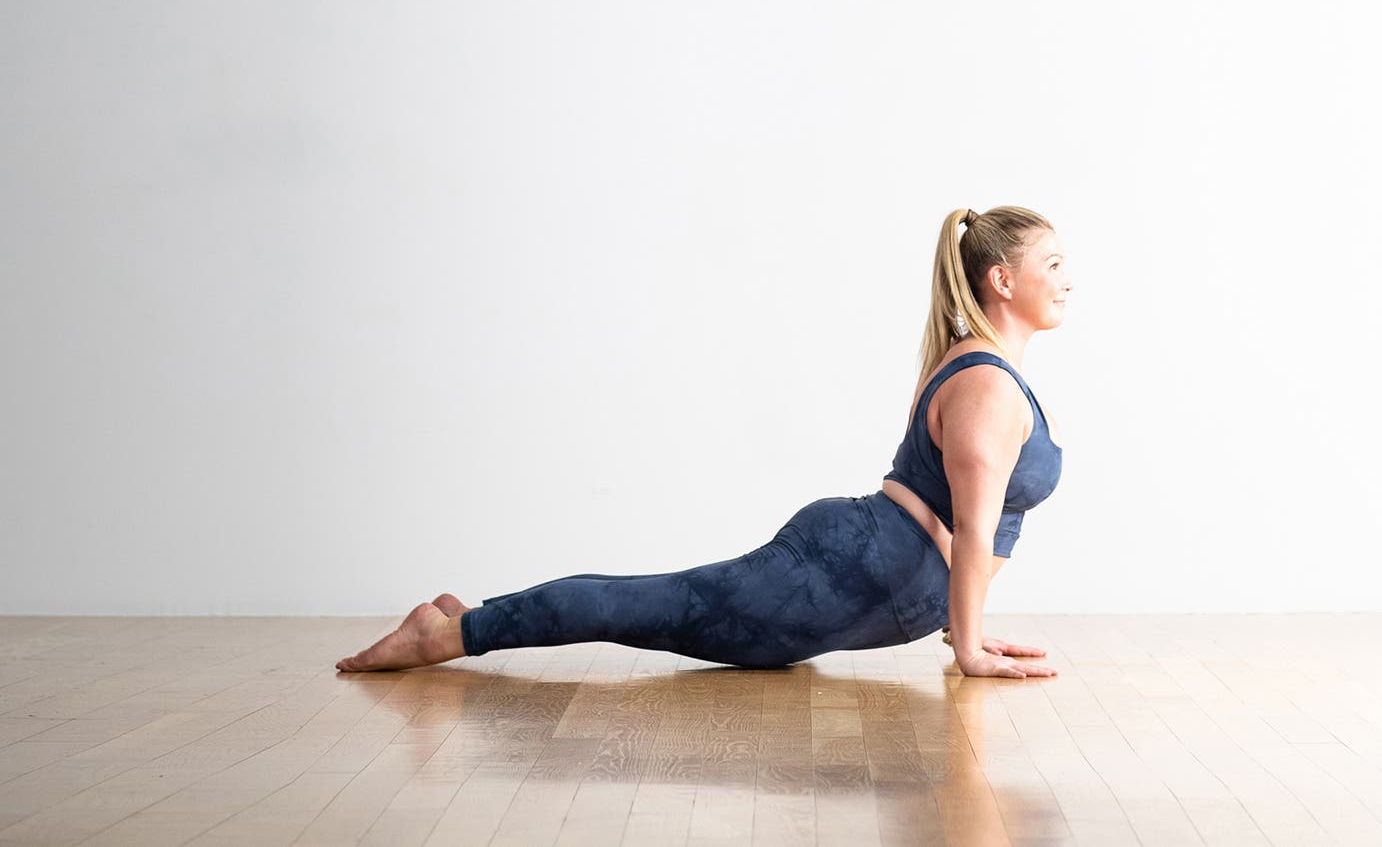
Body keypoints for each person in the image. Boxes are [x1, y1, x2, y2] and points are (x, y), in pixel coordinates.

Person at [335, 205, 1073, 678]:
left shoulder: (989, 370)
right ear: (1001, 279)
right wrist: (970, 644)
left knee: (664, 605)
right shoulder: (986, 384)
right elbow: (972, 527)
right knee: (656, 606)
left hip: (861, 580)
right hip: (845, 573)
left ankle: (468, 618)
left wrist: (959, 626)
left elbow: (970, 520)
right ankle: (447, 634)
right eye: (1053, 265)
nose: (1067, 280)